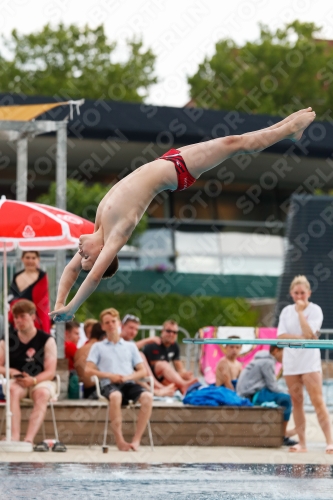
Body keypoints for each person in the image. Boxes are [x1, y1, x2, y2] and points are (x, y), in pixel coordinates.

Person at [49, 109, 316, 322]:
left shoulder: (99, 228)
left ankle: (288, 129)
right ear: (102, 255)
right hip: (180, 171)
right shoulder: (118, 232)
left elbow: (72, 271)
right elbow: (92, 277)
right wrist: (73, 308)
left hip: (169, 160)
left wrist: (60, 303)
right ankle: (288, 131)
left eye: (82, 257)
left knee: (234, 142)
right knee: (234, 144)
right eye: (87, 258)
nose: (80, 254)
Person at [277, 275, 333, 454]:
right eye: (296, 293)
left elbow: (310, 335)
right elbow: (281, 337)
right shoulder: (286, 311)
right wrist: (299, 338)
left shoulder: (315, 310)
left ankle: (330, 441)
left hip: (309, 362)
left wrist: (301, 312)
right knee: (296, 401)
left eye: (302, 292)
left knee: (318, 401)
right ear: (291, 293)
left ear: (308, 292)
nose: (299, 296)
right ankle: (302, 443)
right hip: (291, 362)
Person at [85, 307, 153, 451]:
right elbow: (88, 369)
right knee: (115, 396)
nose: (110, 324)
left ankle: (136, 440)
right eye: (107, 322)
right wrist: (109, 375)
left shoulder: (131, 346)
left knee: (147, 396)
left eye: (113, 321)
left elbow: (142, 371)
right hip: (108, 385)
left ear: (118, 323)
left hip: (128, 382)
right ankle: (120, 440)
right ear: (103, 326)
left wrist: (128, 377)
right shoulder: (98, 347)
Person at [0, 299, 57, 445]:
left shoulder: (47, 340)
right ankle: (14, 437)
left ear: (32, 316)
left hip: (42, 380)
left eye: (22, 316)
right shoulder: (7, 340)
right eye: (16, 317)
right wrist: (11, 371)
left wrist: (34, 380)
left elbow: (50, 372)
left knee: (42, 394)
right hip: (18, 380)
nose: (18, 320)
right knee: (12, 389)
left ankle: (29, 439)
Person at [236, 346, 296, 446]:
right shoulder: (268, 362)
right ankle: (282, 436)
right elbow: (272, 386)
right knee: (286, 399)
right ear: (276, 351)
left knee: (283, 396)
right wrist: (287, 392)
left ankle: (280, 432)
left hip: (247, 393)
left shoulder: (261, 360)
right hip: (251, 395)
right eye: (285, 353)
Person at [120, 314, 175, 397]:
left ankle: (158, 388)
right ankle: (157, 388)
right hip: (119, 373)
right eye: (131, 328)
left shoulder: (130, 342)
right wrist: (148, 340)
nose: (133, 332)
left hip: (131, 373)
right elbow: (126, 349)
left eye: (136, 329)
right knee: (141, 357)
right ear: (122, 327)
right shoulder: (116, 340)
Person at [142, 320, 197, 394]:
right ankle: (182, 386)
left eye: (174, 332)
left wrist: (185, 374)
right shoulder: (153, 345)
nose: (171, 334)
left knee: (188, 377)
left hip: (163, 376)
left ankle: (192, 390)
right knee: (163, 365)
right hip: (150, 378)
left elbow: (179, 367)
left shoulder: (174, 346)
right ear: (162, 332)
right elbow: (157, 370)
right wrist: (178, 376)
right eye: (168, 331)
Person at [9, 251, 51, 333]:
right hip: (17, 320)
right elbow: (10, 297)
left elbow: (42, 302)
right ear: (22, 259)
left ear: (38, 259)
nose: (30, 261)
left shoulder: (42, 277)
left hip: (34, 321)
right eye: (27, 257)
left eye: (33, 258)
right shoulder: (16, 276)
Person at [74, 322, 106, 398]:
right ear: (104, 337)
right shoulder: (99, 348)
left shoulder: (80, 350)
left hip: (84, 390)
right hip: (96, 390)